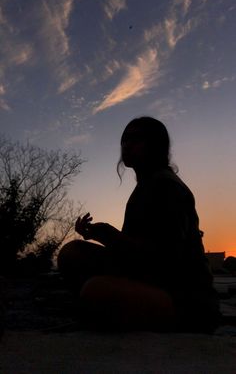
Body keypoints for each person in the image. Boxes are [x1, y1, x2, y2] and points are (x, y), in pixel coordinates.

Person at [58, 117, 220, 332]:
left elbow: (167, 260)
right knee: (72, 253)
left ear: (156, 145)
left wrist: (109, 235)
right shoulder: (146, 186)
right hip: (151, 280)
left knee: (95, 292)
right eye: (125, 139)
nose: (127, 144)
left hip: (185, 299)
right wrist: (101, 234)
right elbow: (133, 256)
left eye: (136, 139)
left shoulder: (167, 186)